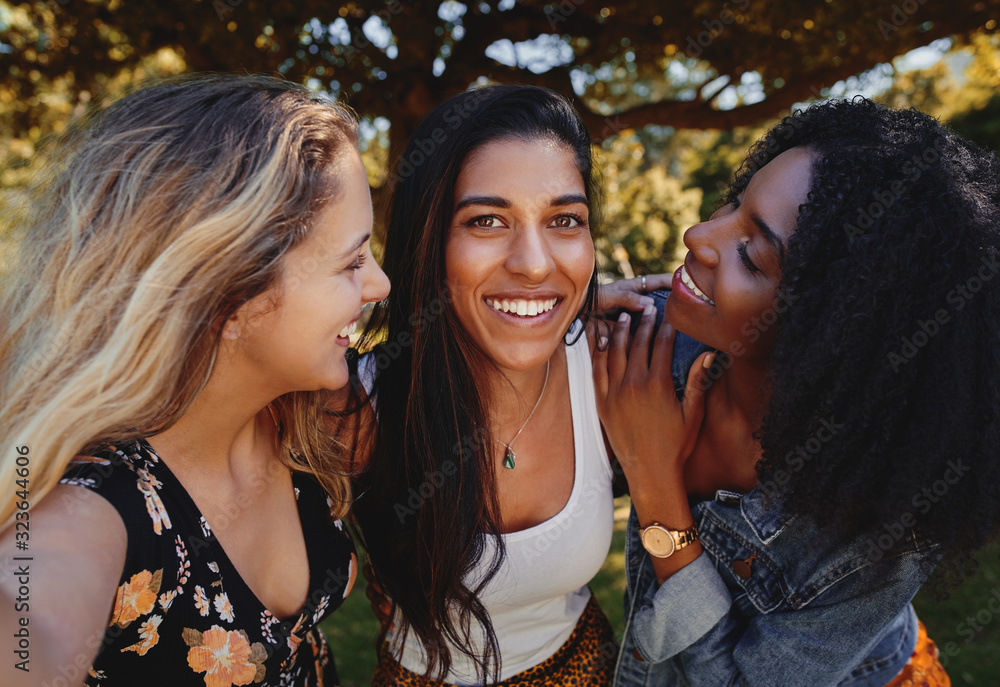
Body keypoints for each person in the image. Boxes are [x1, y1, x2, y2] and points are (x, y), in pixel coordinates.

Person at [594, 97, 1000, 685]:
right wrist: (562, 317)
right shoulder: (654, 347)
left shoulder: (883, 534)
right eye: (734, 203)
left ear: (838, 332)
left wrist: (655, 483)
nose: (697, 234)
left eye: (752, 257)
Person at [0, 74, 389, 686]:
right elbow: (34, 628)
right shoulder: (96, 504)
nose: (379, 285)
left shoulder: (302, 413)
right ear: (230, 293)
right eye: (352, 260)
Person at [339, 84, 656, 686]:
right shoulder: (355, 405)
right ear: (428, 240)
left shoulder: (616, 369)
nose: (535, 263)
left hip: (586, 669)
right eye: (486, 221)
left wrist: (573, 308)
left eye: (565, 220)